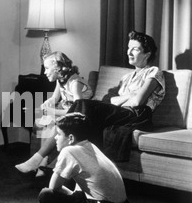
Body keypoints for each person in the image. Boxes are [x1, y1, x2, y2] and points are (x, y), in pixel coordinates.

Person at [67, 30, 165, 161]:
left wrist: (128, 98)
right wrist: (131, 94)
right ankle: (79, 160)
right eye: (128, 48)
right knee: (82, 114)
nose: (129, 52)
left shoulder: (154, 72)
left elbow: (137, 102)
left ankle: (45, 157)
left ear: (147, 54)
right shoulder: (126, 77)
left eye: (135, 49)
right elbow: (111, 100)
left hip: (138, 115)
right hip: (121, 113)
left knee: (82, 105)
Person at [37, 113, 132, 203]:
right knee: (76, 194)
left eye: (59, 134)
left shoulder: (69, 151)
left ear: (70, 138)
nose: (55, 138)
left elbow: (53, 188)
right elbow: (81, 189)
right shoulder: (90, 145)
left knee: (45, 196)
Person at [15, 51, 93, 176]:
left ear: (57, 68)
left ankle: (37, 161)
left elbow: (78, 109)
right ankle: (42, 163)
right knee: (44, 121)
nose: (45, 72)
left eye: (46, 68)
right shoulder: (60, 79)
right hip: (66, 110)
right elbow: (55, 98)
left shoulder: (75, 83)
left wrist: (52, 111)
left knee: (54, 122)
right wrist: (48, 103)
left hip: (80, 114)